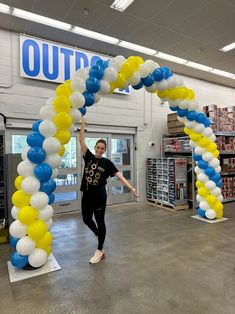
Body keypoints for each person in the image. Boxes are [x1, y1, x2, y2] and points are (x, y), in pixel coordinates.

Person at [79, 118, 138, 264]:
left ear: (104, 150)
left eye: (102, 148)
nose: (99, 150)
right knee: (86, 219)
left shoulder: (107, 163)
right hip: (86, 194)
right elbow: (81, 140)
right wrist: (83, 125)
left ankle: (100, 250)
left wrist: (130, 187)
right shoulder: (89, 158)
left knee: (100, 221)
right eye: (98, 147)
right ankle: (99, 234)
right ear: (95, 148)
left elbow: (119, 176)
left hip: (99, 196)